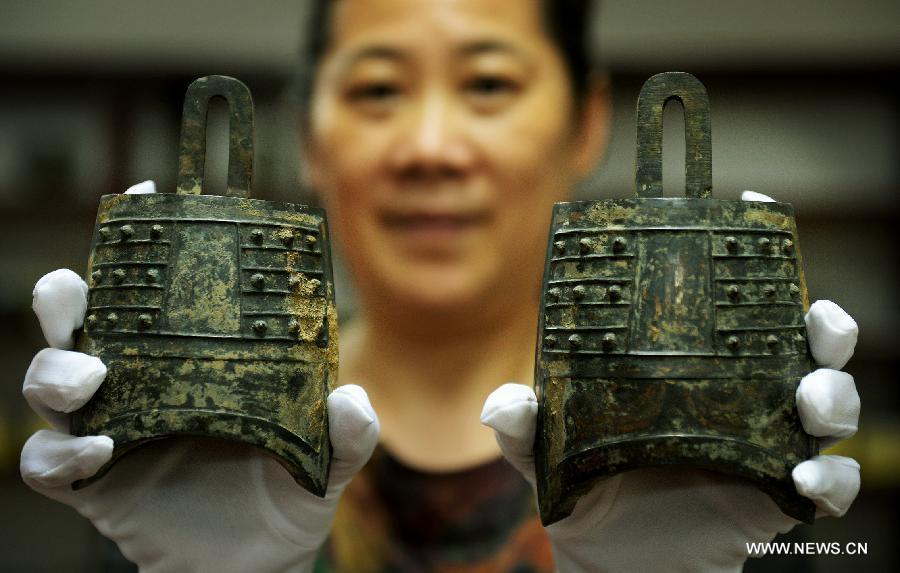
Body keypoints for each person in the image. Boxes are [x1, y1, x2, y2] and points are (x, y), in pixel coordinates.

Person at [20, 0, 862, 571]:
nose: (430, 146)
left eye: (489, 83)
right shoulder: (150, 486)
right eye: (378, 87)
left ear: (586, 119)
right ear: (310, 130)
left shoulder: (761, 520)